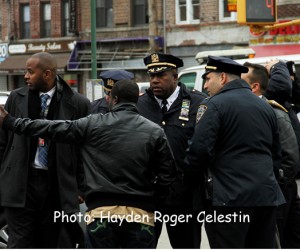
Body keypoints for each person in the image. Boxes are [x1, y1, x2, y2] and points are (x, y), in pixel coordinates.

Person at [0, 79, 176, 249]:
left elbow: (52, 128)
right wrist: (153, 201)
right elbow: (168, 175)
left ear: (113, 100)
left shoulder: (93, 124)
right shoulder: (154, 131)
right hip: (140, 216)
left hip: (101, 215)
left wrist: (12, 122)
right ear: (136, 100)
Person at [183, 55, 285, 248]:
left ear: (222, 78)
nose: (205, 86)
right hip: (266, 198)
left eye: (208, 78)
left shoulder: (212, 105)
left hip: (229, 200)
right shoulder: (265, 106)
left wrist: (188, 180)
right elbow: (276, 155)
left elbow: (199, 151)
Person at [0, 52, 91, 248]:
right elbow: (3, 144)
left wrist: (82, 187)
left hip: (57, 187)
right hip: (20, 183)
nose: (25, 76)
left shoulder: (78, 104)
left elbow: (84, 150)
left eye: (30, 72)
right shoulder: (16, 98)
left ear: (47, 74)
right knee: (20, 243)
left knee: (52, 242)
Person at [137, 53, 207, 248]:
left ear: (175, 77)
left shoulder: (197, 102)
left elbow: (203, 146)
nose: (154, 81)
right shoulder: (139, 104)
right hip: (148, 195)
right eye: (152, 76)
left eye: (161, 76)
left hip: (185, 197)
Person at [248, 59, 300, 248]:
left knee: (277, 239)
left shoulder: (272, 110)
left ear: (254, 87)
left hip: (279, 189)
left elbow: (291, 156)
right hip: (277, 188)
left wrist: (277, 181)